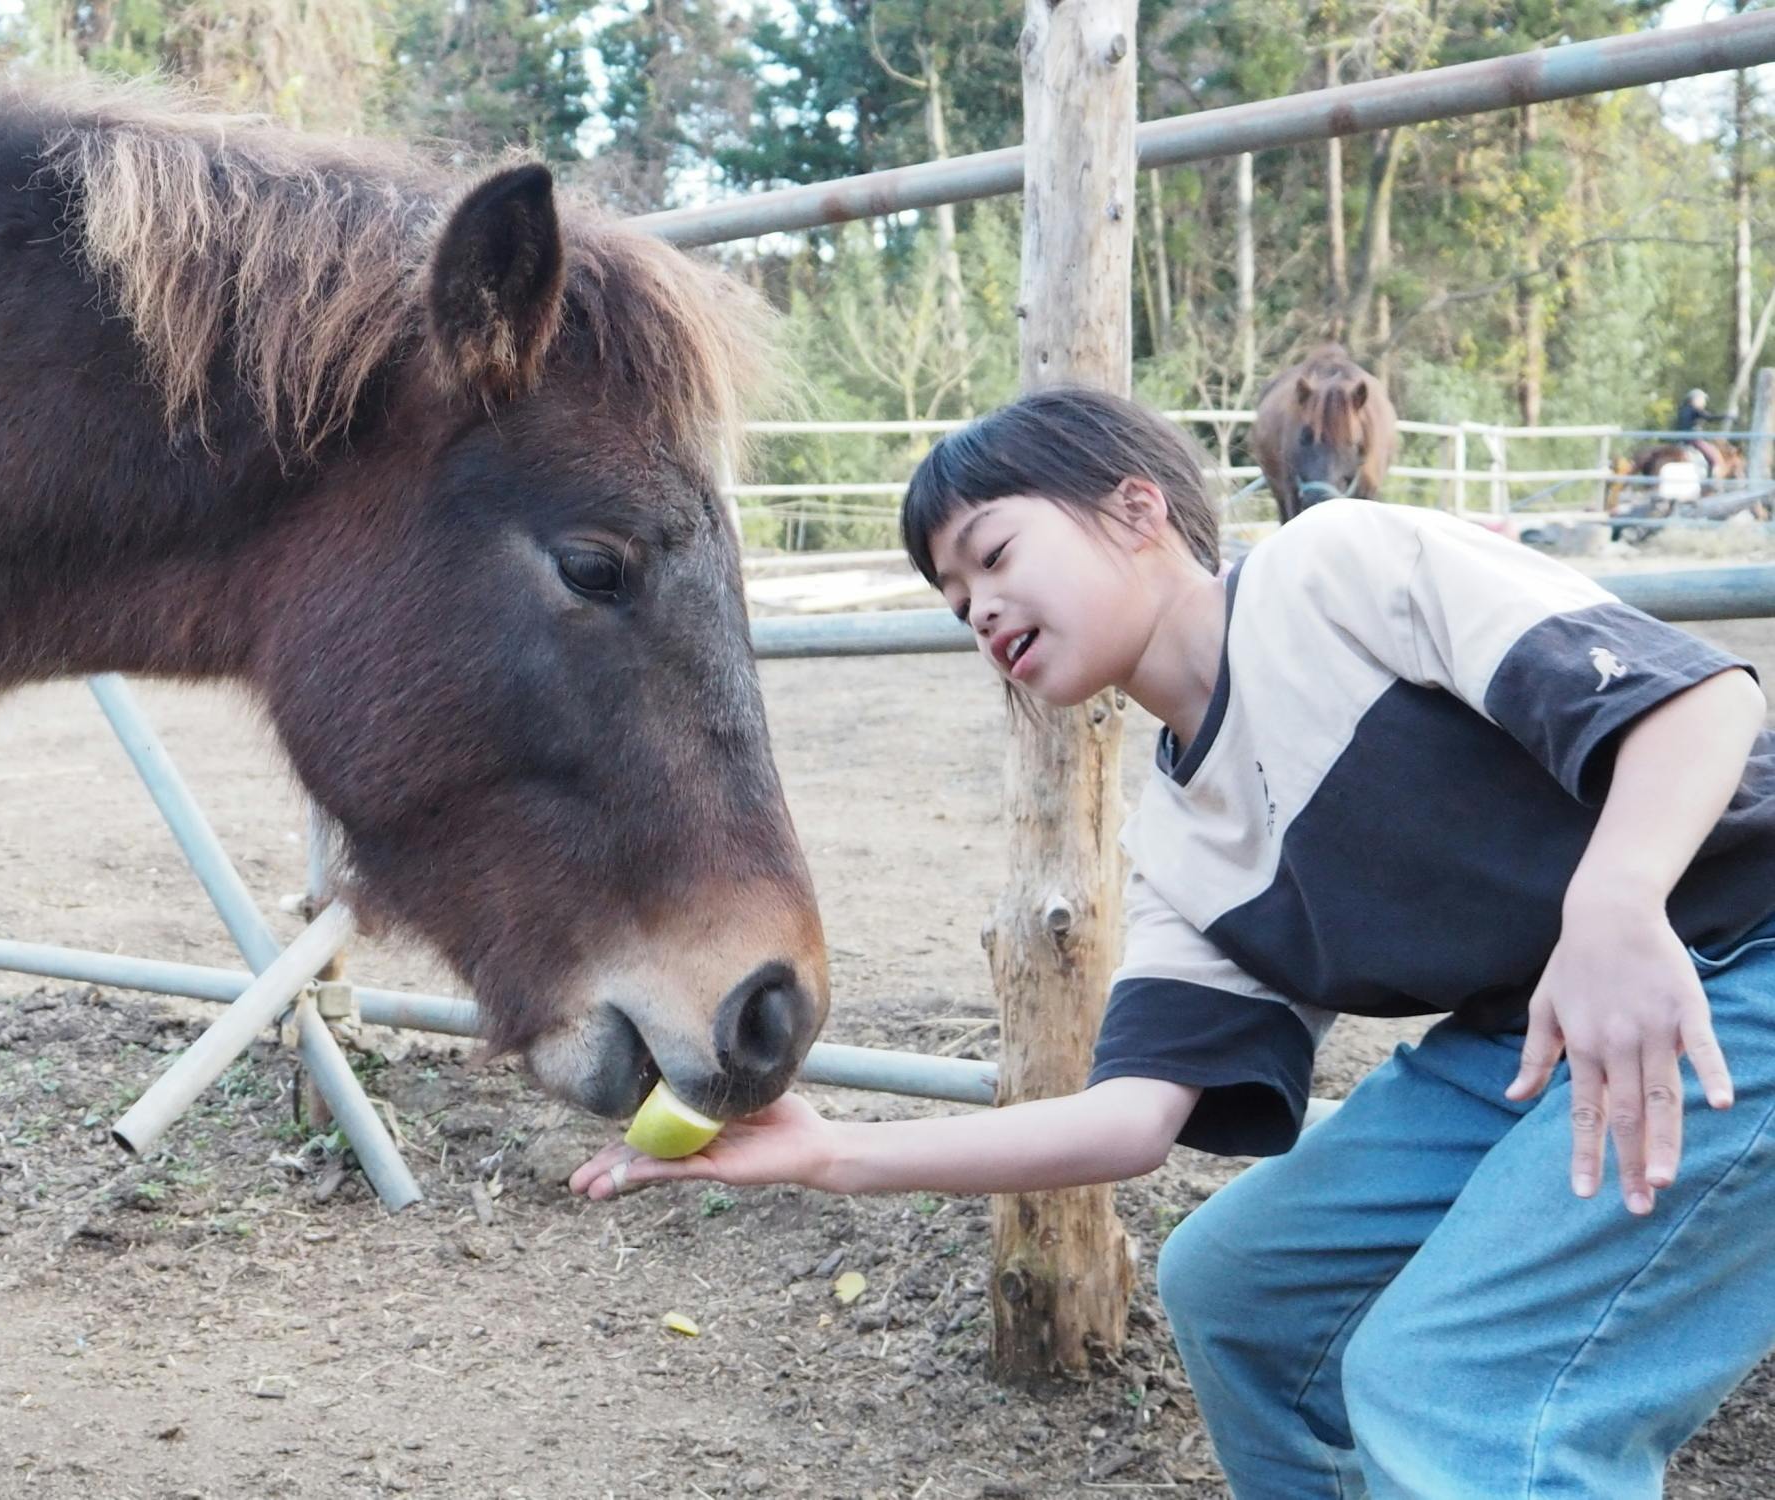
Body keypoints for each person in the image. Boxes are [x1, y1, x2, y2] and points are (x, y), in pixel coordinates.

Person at [577, 387, 1775, 1498]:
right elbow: (1131, 1119)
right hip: (1535, 1038)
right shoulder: (1184, 841)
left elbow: (1702, 700)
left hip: (1741, 954)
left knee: (1455, 1388)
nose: (979, 609)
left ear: (1137, 508)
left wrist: (1615, 902)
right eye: (954, 600)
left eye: (992, 554)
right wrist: (831, 1152)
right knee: (1238, 1287)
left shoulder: (1332, 568)